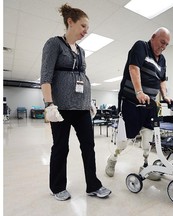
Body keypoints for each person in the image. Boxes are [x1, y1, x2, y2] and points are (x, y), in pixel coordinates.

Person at [40, 3, 111, 201]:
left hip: (81, 108)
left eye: (87, 28)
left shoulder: (81, 51)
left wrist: (88, 101)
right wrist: (49, 105)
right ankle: (57, 187)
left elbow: (82, 76)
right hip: (60, 108)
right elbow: (45, 76)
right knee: (61, 148)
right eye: (83, 26)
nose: (85, 31)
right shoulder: (54, 44)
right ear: (70, 22)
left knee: (89, 146)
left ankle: (93, 186)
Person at [105, 27, 172, 180]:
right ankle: (112, 159)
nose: (163, 47)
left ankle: (146, 166)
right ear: (153, 37)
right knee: (125, 140)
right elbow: (133, 68)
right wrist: (139, 91)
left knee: (148, 138)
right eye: (162, 42)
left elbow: (162, 80)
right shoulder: (141, 46)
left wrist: (165, 95)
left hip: (150, 105)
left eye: (166, 45)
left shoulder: (162, 60)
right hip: (131, 102)